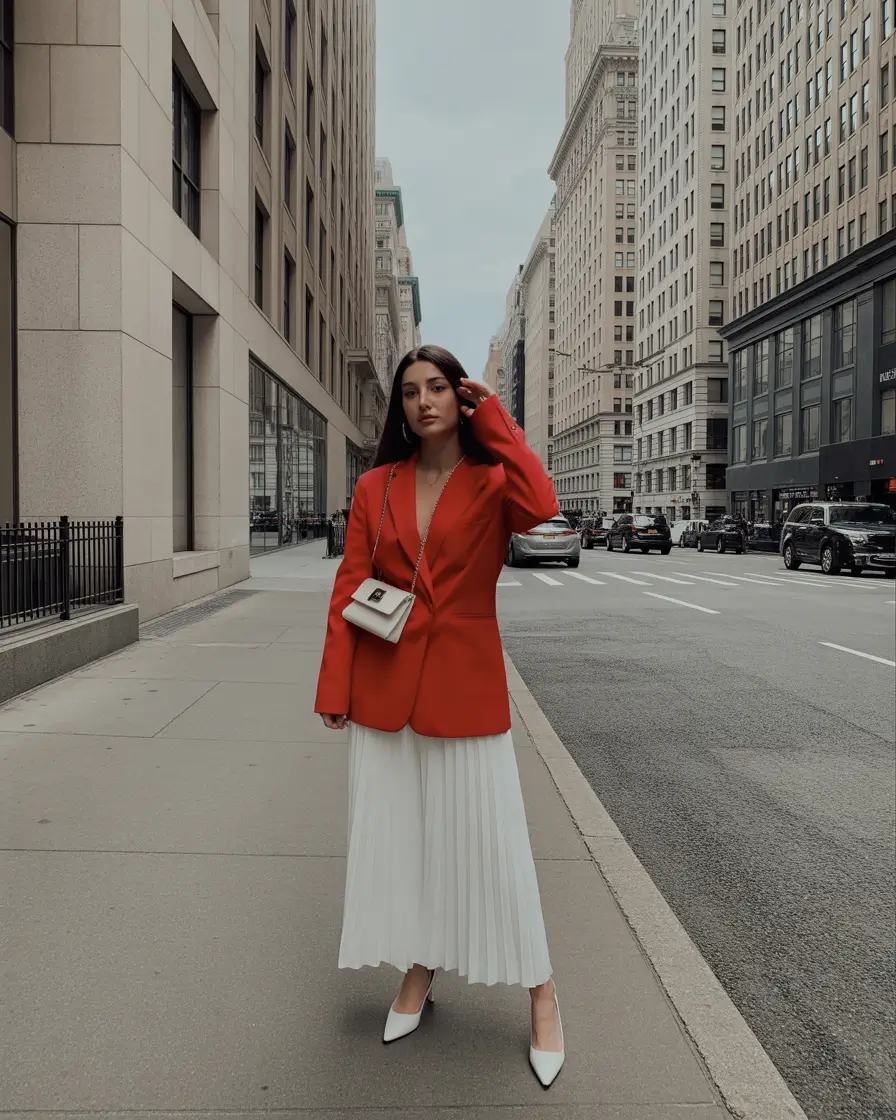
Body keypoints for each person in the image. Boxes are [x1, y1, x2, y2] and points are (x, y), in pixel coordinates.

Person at [315, 344, 565, 1087]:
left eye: (437, 388)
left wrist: (495, 413)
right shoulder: (374, 486)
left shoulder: (492, 479)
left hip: (465, 686)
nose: (422, 401)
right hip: (385, 692)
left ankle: (542, 992)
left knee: (494, 846)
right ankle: (420, 969)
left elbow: (543, 504)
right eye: (409, 391)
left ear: (458, 398)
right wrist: (335, 689)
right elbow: (349, 585)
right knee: (409, 842)